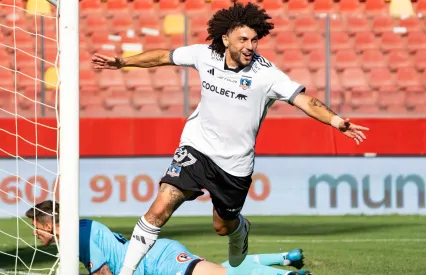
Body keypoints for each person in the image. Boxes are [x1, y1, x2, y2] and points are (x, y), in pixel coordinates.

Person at [91, 2, 369, 274]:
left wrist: (335, 121)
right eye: (243, 39)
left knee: (222, 227)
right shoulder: (203, 55)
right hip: (196, 149)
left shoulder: (266, 75)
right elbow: (164, 56)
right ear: (225, 39)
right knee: (159, 209)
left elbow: (304, 100)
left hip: (234, 165)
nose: (250, 46)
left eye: (255, 40)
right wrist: (123, 62)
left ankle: (241, 228)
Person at [25, 200, 312, 275]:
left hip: (157, 262)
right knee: (223, 269)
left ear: (47, 224)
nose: (34, 232)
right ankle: (286, 258)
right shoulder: (80, 226)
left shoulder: (79, 236)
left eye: (35, 226)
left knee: (224, 274)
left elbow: (104, 273)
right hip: (154, 260)